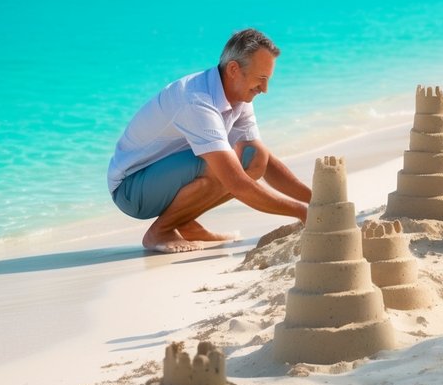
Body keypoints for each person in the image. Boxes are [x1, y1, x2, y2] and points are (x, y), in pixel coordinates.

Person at [107, 28, 311, 253]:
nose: (265, 89)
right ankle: (160, 231)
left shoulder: (240, 98)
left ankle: (184, 222)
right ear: (234, 69)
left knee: (254, 156)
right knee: (221, 166)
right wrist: (302, 211)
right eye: (261, 80)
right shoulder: (196, 100)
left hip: (163, 177)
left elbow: (264, 162)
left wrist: (319, 199)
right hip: (131, 188)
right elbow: (236, 182)